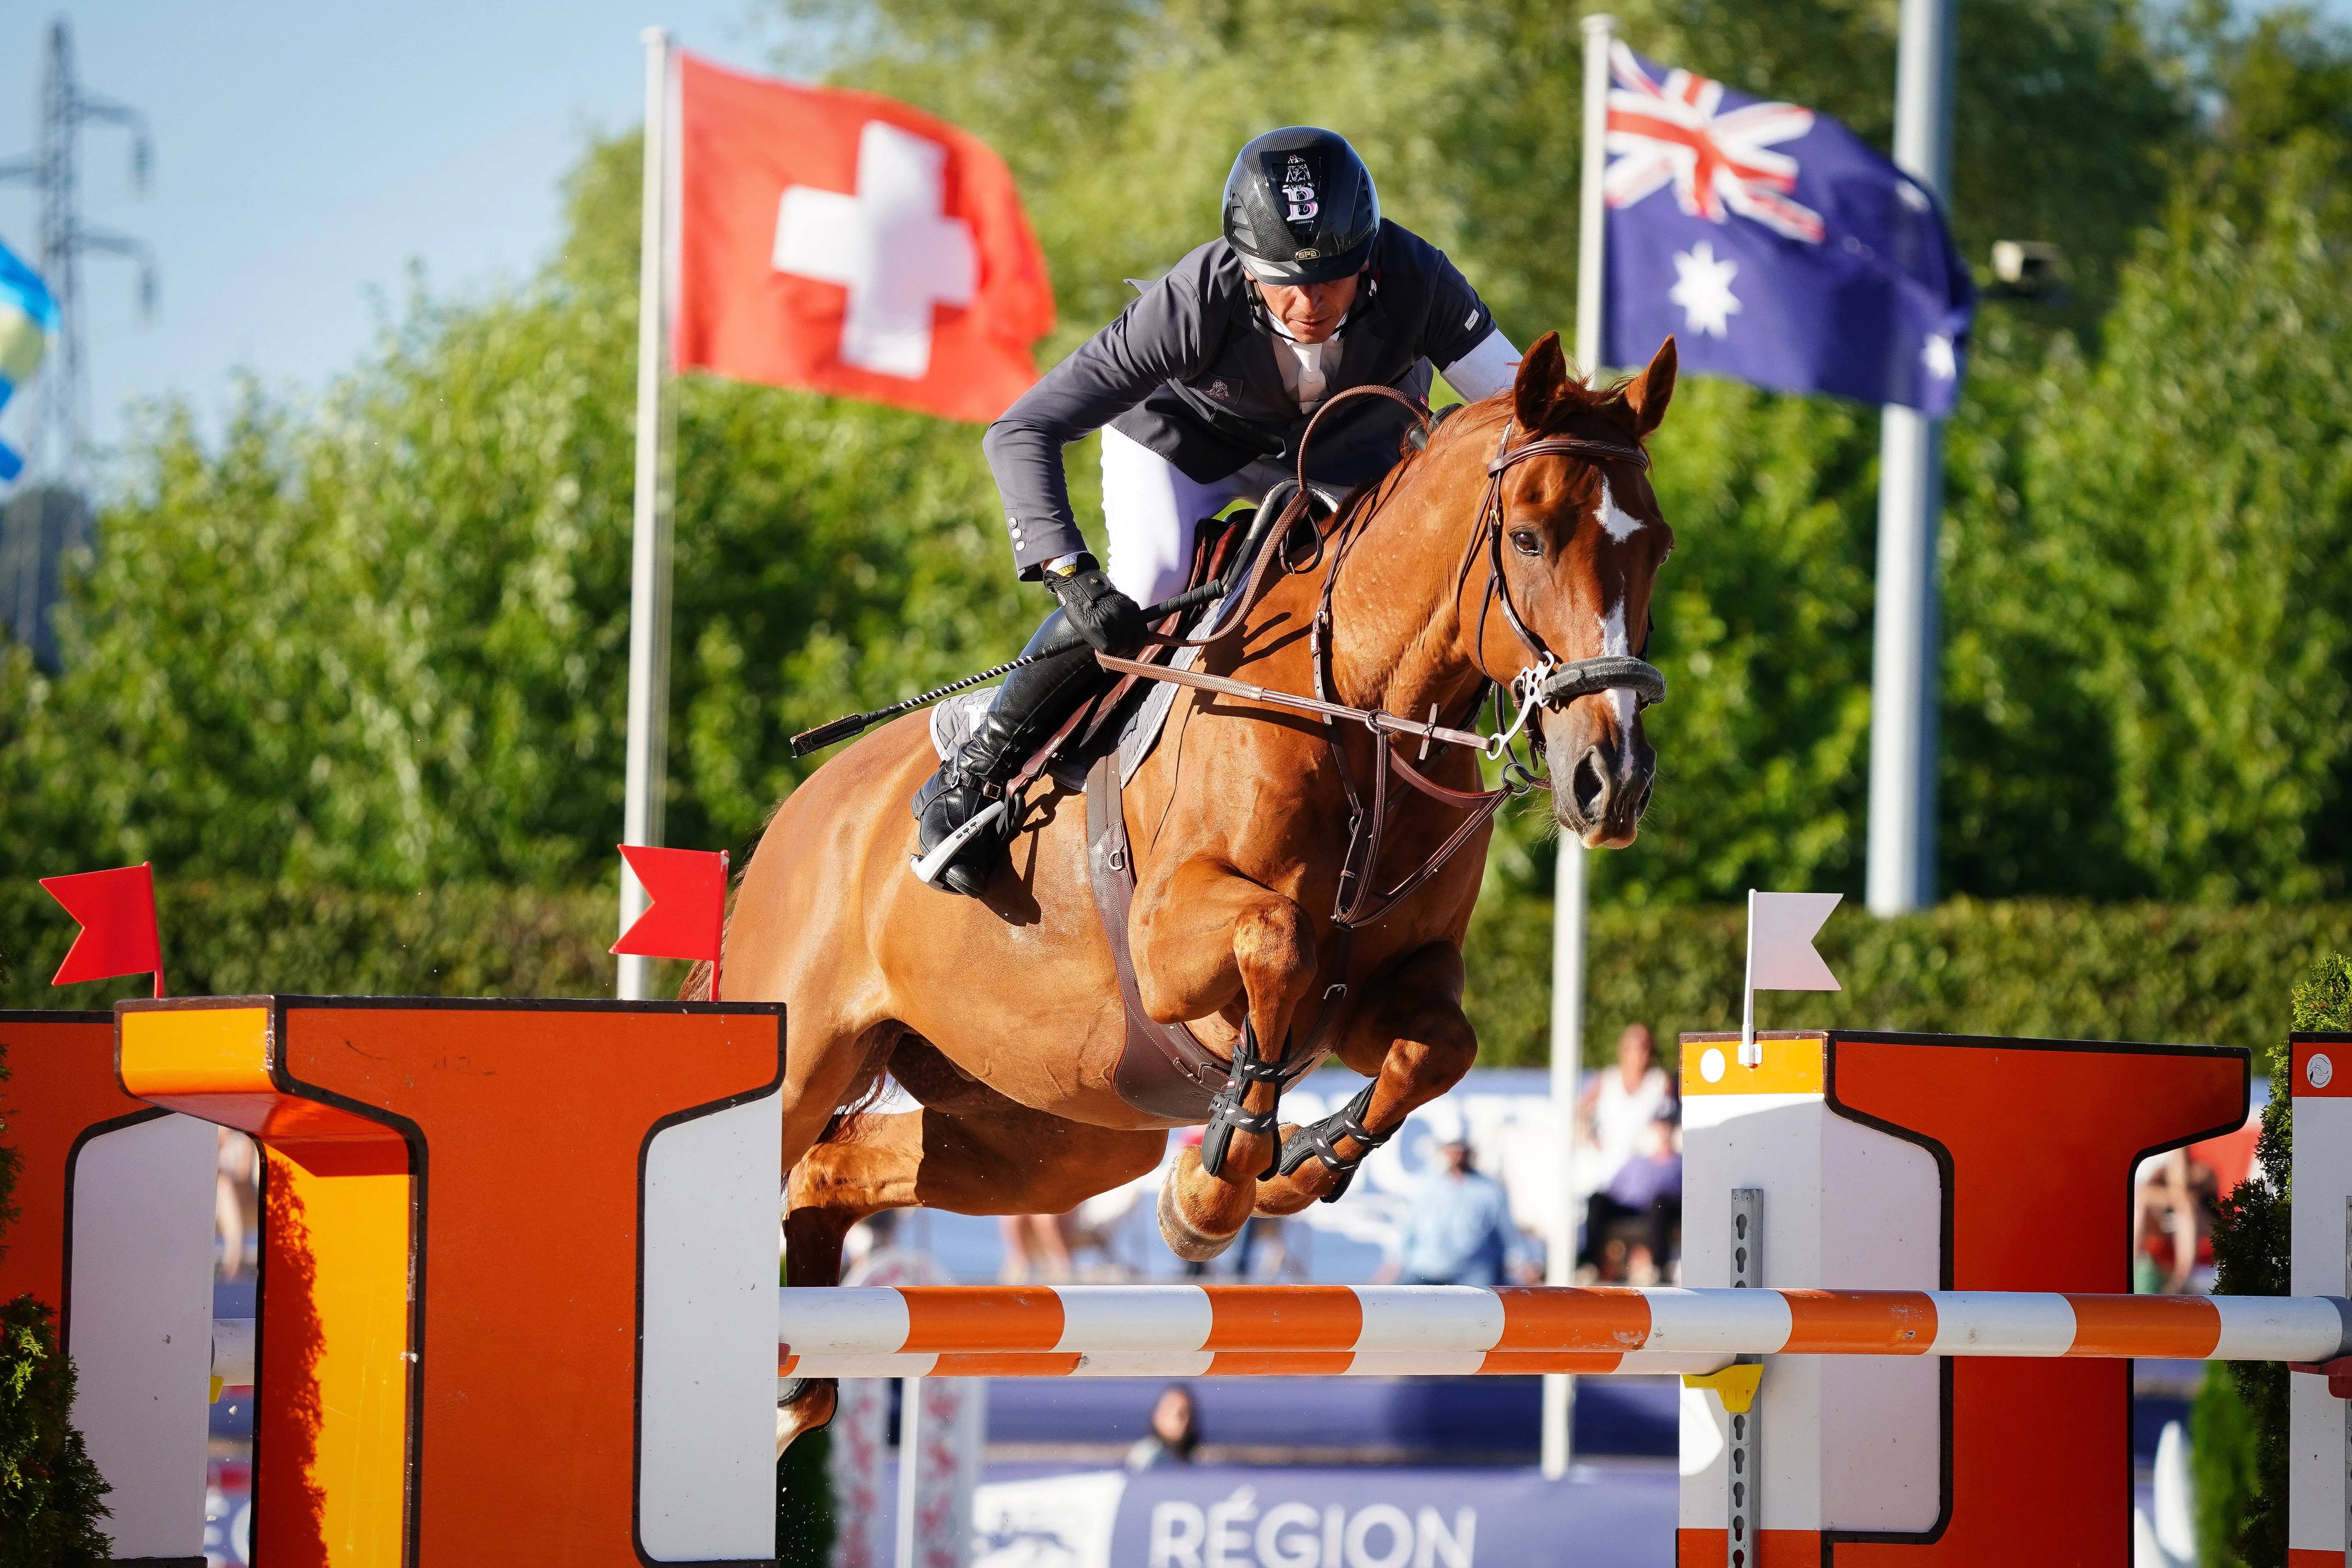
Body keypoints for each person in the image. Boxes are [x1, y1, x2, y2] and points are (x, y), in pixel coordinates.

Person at [914, 125, 1526, 895]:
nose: (1309, 304)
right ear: (1245, 265)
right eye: (1284, 283)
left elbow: (1532, 412)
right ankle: (978, 763)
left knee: (1393, 584)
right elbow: (1022, 429)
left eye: (1332, 279)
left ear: (1368, 257)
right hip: (1186, 447)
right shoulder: (1193, 300)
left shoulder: (1419, 278)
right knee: (1150, 578)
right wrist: (1070, 573)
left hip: (1342, 453)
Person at [1387, 1134, 1535, 1287]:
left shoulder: (1489, 1189)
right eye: (1452, 1151)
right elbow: (1409, 1228)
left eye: (1461, 1151)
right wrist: (1394, 1264)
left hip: (1473, 1270)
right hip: (1427, 1267)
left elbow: (1507, 1230)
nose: (1457, 1156)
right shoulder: (1426, 1186)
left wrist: (1525, 1264)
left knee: (1484, 1297)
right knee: (1402, 1296)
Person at [1581, 1103, 1682, 1285]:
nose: (1664, 1131)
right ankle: (1590, 1265)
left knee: (1660, 1204)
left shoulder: (1681, 1164)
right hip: (1631, 1209)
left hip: (1660, 1213)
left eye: (1668, 1126)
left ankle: (1658, 1267)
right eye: (1660, 1125)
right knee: (1597, 1200)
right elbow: (1613, 1189)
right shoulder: (1637, 1162)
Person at [1579, 1024, 1673, 1192]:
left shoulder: (1660, 1082)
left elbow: (1668, 1122)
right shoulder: (1605, 1080)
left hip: (1644, 1175)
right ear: (1622, 1050)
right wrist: (1591, 1140)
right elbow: (1579, 1115)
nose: (1638, 1054)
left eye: (1644, 1047)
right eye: (1632, 1047)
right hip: (1604, 1173)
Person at [1126, 1385, 1201, 1470]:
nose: (1181, 1419)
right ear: (1158, 1415)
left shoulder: (1193, 1459)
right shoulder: (1150, 1456)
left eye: (1186, 1412)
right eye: (1171, 1409)